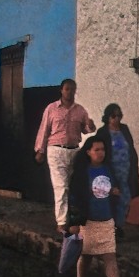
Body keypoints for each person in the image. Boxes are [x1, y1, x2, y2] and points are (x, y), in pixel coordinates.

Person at [66, 137, 130, 277]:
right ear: (88, 152)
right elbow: (73, 198)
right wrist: (73, 223)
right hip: (88, 221)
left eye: (102, 149)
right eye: (97, 150)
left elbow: (114, 190)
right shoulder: (81, 173)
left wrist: (116, 193)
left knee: (110, 256)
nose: (101, 153)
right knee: (86, 256)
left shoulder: (108, 170)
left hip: (106, 219)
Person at [34, 78, 95, 231]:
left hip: (74, 151)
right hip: (56, 151)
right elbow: (44, 130)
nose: (70, 91)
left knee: (75, 186)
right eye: (67, 88)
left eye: (72, 88)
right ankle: (61, 223)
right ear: (61, 90)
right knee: (61, 186)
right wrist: (40, 150)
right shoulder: (51, 109)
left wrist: (91, 127)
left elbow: (86, 130)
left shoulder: (80, 110)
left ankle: (75, 219)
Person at [90, 103, 139, 238]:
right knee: (111, 199)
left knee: (125, 199)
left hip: (126, 171)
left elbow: (131, 147)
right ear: (107, 117)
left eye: (119, 116)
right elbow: (100, 153)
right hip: (111, 171)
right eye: (113, 116)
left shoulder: (124, 129)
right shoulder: (103, 132)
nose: (117, 119)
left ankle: (119, 226)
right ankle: (110, 228)